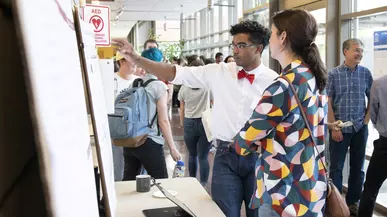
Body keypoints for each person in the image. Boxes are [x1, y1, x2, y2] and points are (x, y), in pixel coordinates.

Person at [113, 20, 278, 217]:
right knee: (223, 213)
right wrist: (136, 57)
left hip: (259, 158)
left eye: (241, 46)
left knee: (258, 213)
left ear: (259, 48)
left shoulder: (274, 80)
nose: (235, 50)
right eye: (233, 45)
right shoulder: (219, 71)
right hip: (225, 155)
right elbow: (175, 72)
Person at [233, 9, 328, 216]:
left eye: (273, 33)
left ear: (283, 37)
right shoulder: (314, 77)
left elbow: (245, 140)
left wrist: (253, 141)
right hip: (310, 187)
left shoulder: (283, 86)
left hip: (283, 192)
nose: (270, 40)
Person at [327, 38, 373, 216]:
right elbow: (328, 101)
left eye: (361, 51)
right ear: (345, 51)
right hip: (340, 128)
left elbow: (371, 98)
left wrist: (366, 121)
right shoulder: (333, 74)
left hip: (360, 128)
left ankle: (353, 202)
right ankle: (336, 204)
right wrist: (334, 128)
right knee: (336, 167)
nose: (359, 54)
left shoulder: (365, 73)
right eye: (356, 50)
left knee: (358, 167)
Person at [122, 48, 181, 181]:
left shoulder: (135, 83)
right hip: (150, 141)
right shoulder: (159, 86)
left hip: (131, 140)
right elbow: (163, 121)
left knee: (130, 183)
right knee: (161, 182)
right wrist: (172, 148)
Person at [178, 59, 213, 186]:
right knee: (203, 156)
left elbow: (182, 107)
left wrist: (182, 123)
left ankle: (192, 182)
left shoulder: (184, 87)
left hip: (189, 122)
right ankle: (203, 184)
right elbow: (213, 104)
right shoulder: (208, 86)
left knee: (192, 155)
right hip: (206, 123)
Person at [358, 75, 387, 217]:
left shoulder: (379, 83)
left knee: (370, 188)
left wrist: (381, 127)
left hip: (385, 143)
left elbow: (373, 113)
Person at [112, 52, 139, 181]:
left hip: (134, 130)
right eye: (131, 62)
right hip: (117, 129)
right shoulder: (111, 80)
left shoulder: (137, 81)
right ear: (121, 62)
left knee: (133, 166)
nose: (134, 65)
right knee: (118, 164)